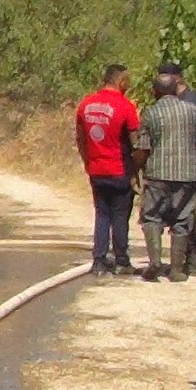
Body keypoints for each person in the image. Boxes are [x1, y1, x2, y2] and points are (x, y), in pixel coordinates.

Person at [137, 65, 196, 281]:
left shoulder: (151, 113)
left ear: (155, 91)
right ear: (175, 89)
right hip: (188, 175)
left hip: (157, 174)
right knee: (183, 219)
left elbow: (143, 148)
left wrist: (136, 171)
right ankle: (177, 270)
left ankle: (154, 261)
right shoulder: (193, 111)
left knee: (151, 217)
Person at [74, 65, 143, 273]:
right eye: (127, 82)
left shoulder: (86, 104)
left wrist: (88, 163)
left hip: (96, 169)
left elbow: (80, 138)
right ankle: (121, 260)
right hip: (119, 170)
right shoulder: (125, 106)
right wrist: (136, 171)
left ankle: (99, 259)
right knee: (120, 215)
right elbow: (136, 142)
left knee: (102, 214)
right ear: (120, 81)